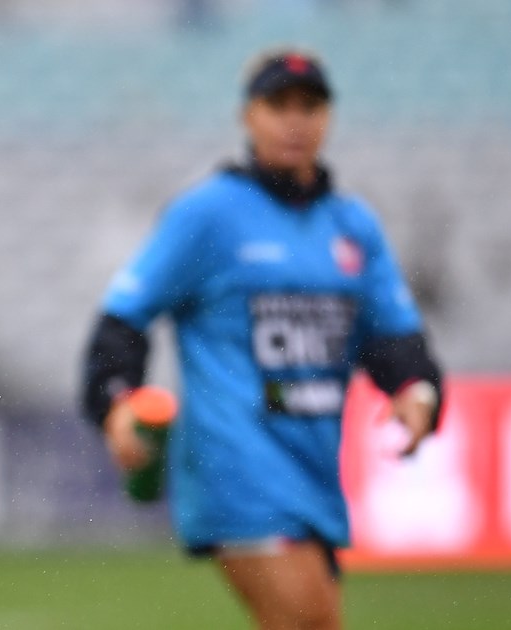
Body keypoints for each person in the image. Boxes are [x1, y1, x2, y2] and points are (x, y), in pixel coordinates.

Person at [79, 48, 446, 630]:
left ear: (329, 117)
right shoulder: (209, 215)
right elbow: (123, 319)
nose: (295, 121)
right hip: (236, 472)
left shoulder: (352, 226)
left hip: (315, 475)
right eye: (278, 105)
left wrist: (417, 392)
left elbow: (393, 336)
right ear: (247, 116)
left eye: (311, 105)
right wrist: (116, 401)